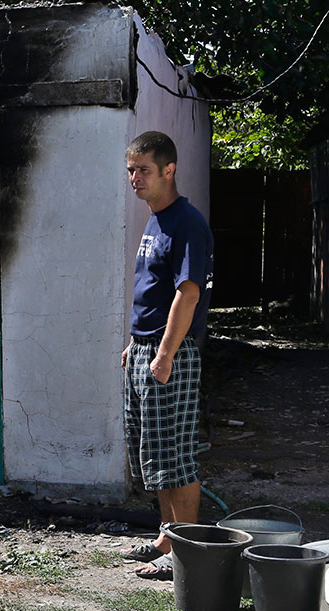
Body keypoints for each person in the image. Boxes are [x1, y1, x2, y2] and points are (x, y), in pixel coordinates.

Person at [119, 131, 214, 580]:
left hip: (168, 355)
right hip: (145, 350)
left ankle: (185, 553)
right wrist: (135, 344)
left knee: (176, 455)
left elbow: (188, 294)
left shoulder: (187, 222)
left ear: (169, 171)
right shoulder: (155, 219)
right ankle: (166, 536)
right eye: (131, 171)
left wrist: (164, 353)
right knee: (152, 450)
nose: (135, 179)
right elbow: (151, 292)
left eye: (143, 171)